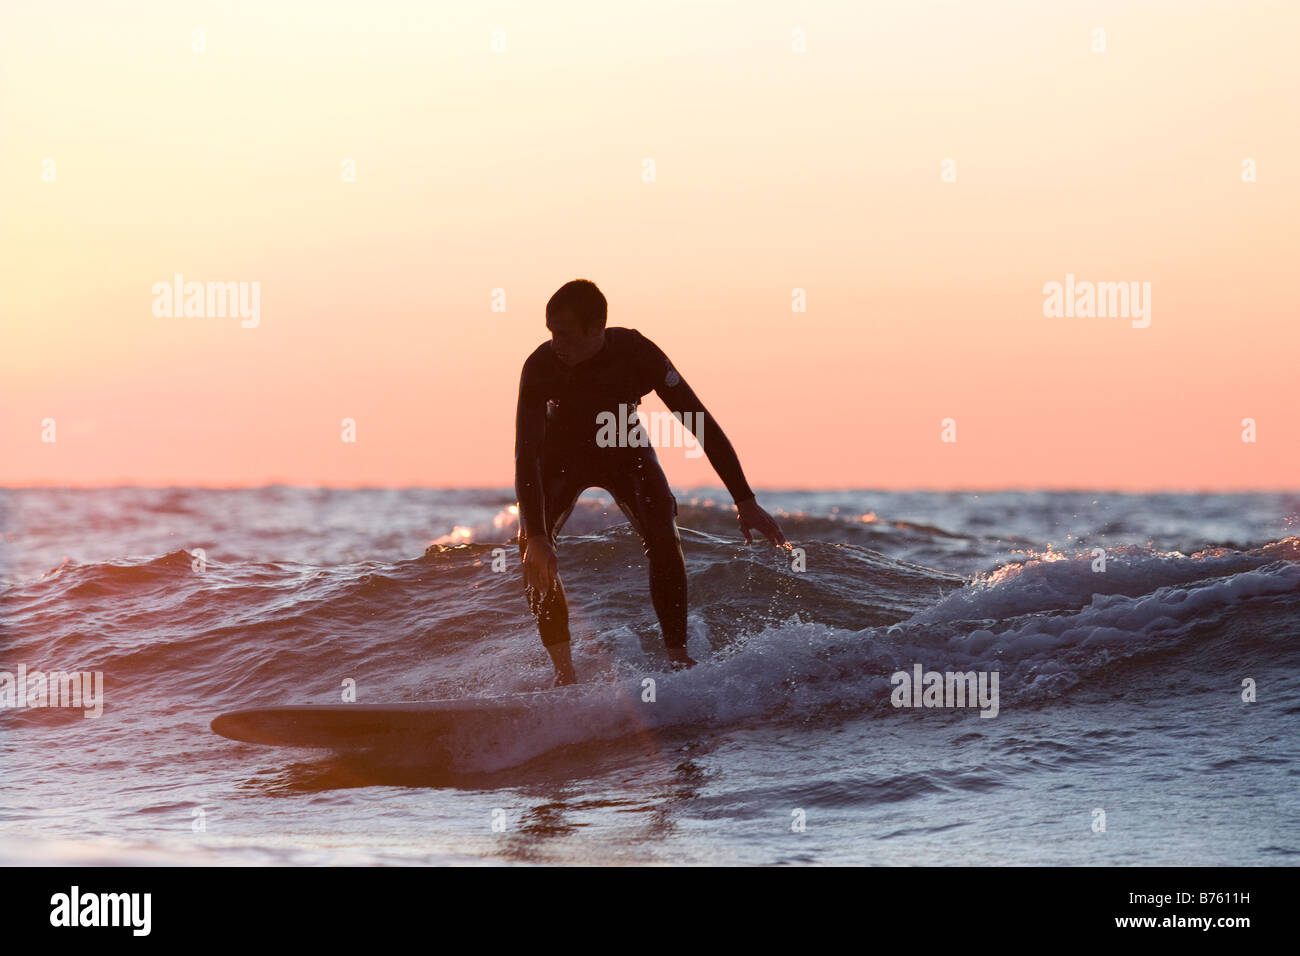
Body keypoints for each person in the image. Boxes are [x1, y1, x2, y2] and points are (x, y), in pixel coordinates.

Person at [514, 278, 787, 685]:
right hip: (560, 457)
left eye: (565, 333)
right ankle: (564, 674)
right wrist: (535, 534)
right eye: (551, 332)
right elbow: (526, 452)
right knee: (532, 549)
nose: (555, 343)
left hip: (623, 447)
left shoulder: (636, 353)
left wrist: (744, 499)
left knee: (662, 532)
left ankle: (678, 659)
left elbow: (699, 421)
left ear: (597, 328)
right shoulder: (540, 366)